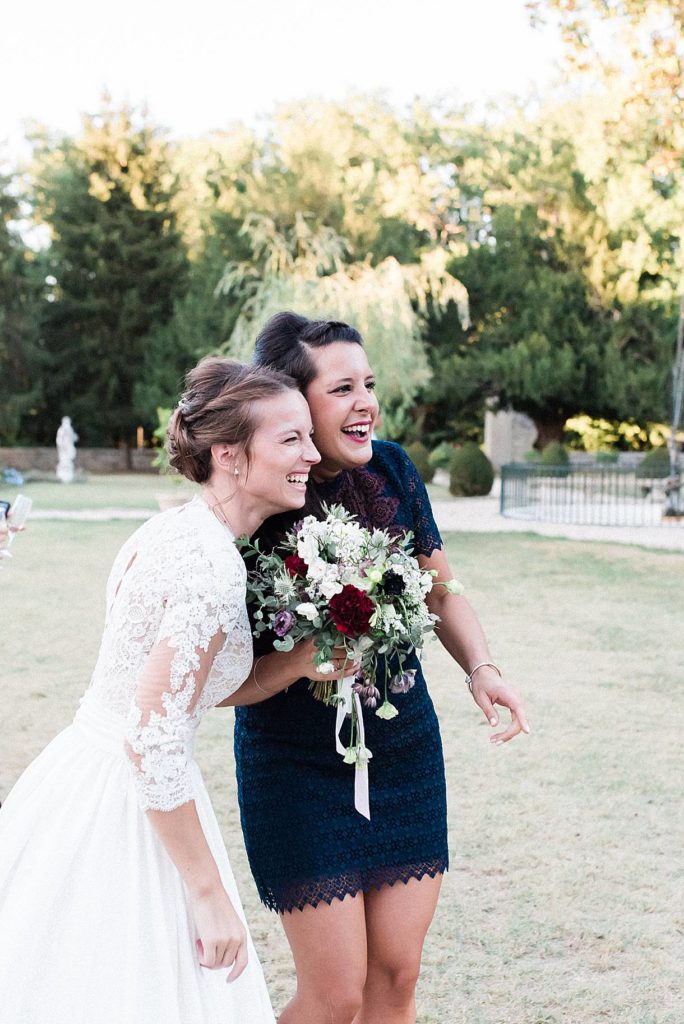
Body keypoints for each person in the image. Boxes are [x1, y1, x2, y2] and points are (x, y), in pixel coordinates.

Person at [0, 357, 355, 1024]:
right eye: (291, 439)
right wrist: (207, 891)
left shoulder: (178, 530)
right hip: (129, 803)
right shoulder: (210, 567)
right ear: (228, 452)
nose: (311, 453)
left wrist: (297, 662)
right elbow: (155, 736)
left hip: (87, 769)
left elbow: (173, 693)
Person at [233, 313, 531, 1024]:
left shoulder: (393, 469)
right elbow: (221, 676)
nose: (366, 401)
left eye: (368, 384)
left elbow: (440, 587)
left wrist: (480, 668)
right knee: (335, 997)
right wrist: (305, 657)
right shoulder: (260, 494)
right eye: (343, 388)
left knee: (397, 974)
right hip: (296, 768)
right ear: (293, 402)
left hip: (403, 751)